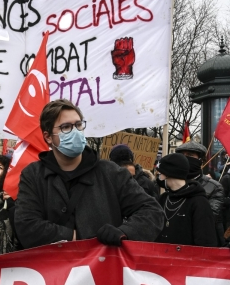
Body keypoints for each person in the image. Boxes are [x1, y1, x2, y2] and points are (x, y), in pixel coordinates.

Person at [15, 99, 164, 249]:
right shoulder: (33, 175)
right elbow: (26, 225)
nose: (75, 131)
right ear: (48, 137)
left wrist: (124, 232)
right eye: (66, 127)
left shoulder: (111, 172)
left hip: (101, 268)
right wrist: (78, 236)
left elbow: (152, 211)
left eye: (78, 125)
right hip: (50, 269)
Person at [155, 153, 217, 246]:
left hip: (187, 259)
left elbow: (205, 241)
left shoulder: (199, 202)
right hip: (161, 257)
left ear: (167, 174)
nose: (158, 176)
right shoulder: (164, 198)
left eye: (160, 172)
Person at [175, 140, 225, 245]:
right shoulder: (170, 184)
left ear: (200, 160)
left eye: (190, 155)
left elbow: (207, 219)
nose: (185, 158)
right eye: (182, 155)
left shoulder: (214, 187)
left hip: (201, 245)